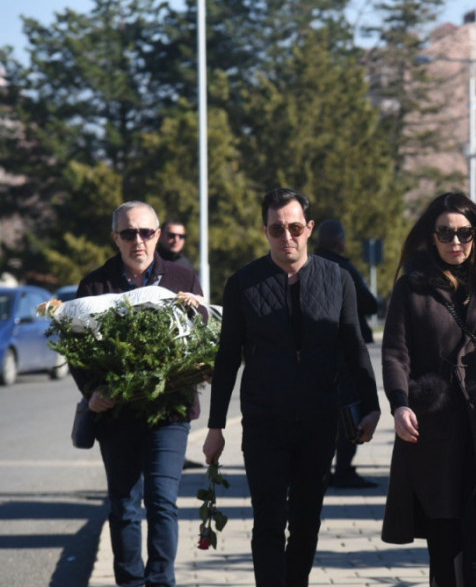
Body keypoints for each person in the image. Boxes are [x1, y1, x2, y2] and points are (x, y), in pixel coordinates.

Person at [202, 188, 380, 587]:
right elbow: (227, 359)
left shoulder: (338, 279)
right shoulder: (243, 284)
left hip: (319, 420)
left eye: (295, 228)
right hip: (264, 421)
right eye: (277, 229)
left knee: (306, 520)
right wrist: (216, 427)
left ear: (309, 228)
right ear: (264, 231)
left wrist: (372, 406)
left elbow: (354, 347)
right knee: (268, 519)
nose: (287, 237)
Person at [381, 192, 476, 586]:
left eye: (464, 233)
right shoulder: (412, 287)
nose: (455, 242)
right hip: (437, 429)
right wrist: (399, 404)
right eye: (445, 233)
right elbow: (396, 353)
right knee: (446, 539)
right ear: (431, 236)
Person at [73, 201, 202, 587]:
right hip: (117, 414)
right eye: (129, 233)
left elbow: (202, 340)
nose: (138, 241)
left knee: (162, 501)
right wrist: (93, 391)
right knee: (125, 507)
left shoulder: (183, 279)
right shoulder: (94, 286)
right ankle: (129, 581)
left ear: (158, 236)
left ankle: (161, 581)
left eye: (146, 232)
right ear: (116, 238)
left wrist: (200, 328)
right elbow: (77, 352)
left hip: (170, 413)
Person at [315, 218, 380, 488]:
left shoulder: (307, 266)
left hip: (314, 352)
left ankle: (321, 469)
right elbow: (370, 303)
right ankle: (343, 469)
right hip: (344, 350)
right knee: (349, 409)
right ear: (340, 241)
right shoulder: (343, 269)